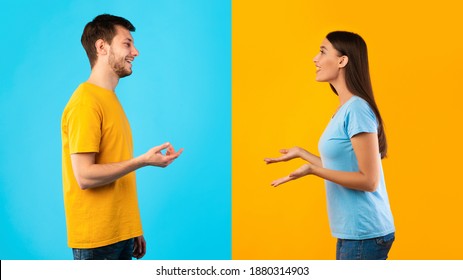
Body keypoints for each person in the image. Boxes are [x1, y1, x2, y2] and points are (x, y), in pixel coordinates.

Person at [61, 14, 183, 260]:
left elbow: (116, 168)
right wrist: (143, 161)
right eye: (127, 43)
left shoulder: (109, 99)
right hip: (98, 240)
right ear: (102, 47)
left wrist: (132, 226)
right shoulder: (86, 102)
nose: (135, 52)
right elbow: (84, 176)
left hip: (120, 234)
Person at [264, 31, 395, 260]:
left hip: (364, 234)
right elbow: (344, 166)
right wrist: (303, 155)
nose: (315, 58)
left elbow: (369, 180)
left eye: (323, 51)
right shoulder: (344, 109)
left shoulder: (356, 109)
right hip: (354, 234)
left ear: (342, 61)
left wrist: (313, 170)